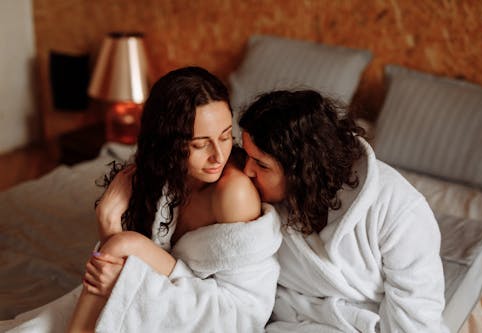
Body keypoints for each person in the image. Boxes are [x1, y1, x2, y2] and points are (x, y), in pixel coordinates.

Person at [3, 67, 281, 333]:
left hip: (224, 314)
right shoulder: (165, 174)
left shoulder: (233, 192)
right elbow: (126, 266)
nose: (218, 156)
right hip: (178, 290)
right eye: (200, 144)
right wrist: (110, 226)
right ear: (169, 143)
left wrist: (117, 243)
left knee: (126, 243)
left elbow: (237, 307)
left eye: (225, 137)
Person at [238, 90, 449, 332]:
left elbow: (416, 314)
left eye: (261, 164)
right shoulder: (258, 199)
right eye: (246, 156)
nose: (247, 171)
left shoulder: (398, 208)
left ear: (301, 171)